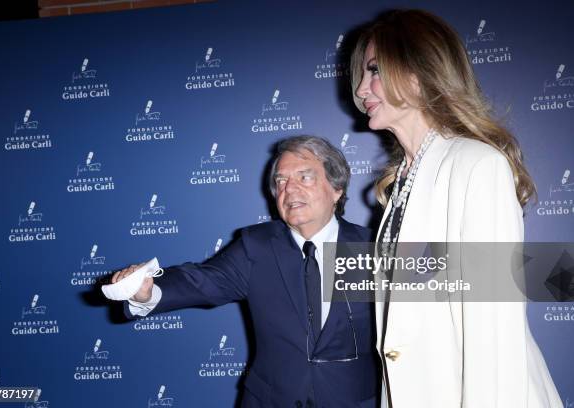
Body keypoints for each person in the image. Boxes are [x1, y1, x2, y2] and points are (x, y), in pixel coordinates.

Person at [350, 9, 563, 408]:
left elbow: (493, 331)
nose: (361, 90)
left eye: (374, 69)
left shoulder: (476, 165)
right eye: (362, 75)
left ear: (419, 72)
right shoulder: (403, 184)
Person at [109, 136, 380, 407]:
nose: (290, 190)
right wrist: (147, 292)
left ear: (336, 189)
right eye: (281, 182)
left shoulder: (374, 249)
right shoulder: (257, 247)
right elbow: (201, 281)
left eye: (304, 177)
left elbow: (415, 331)